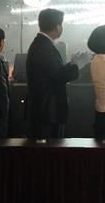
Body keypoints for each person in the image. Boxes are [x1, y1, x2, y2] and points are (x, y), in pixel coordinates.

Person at [26, 8, 84, 140]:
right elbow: (59, 76)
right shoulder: (44, 47)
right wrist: (77, 65)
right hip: (48, 112)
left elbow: (53, 71)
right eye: (61, 25)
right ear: (57, 27)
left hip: (45, 110)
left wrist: (72, 63)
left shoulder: (41, 44)